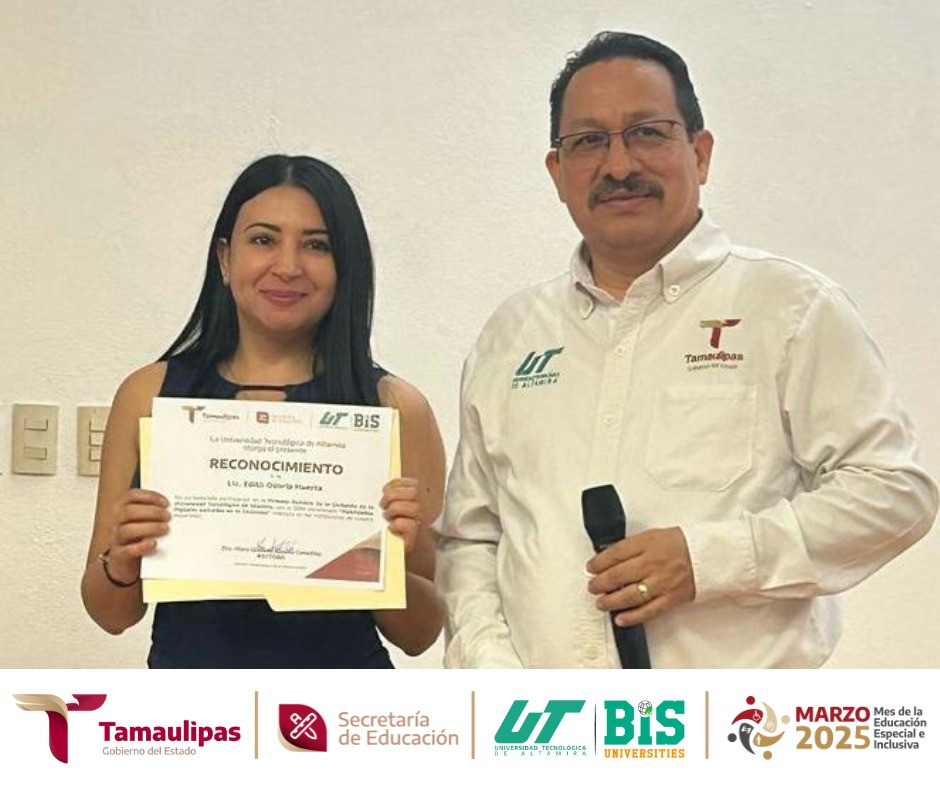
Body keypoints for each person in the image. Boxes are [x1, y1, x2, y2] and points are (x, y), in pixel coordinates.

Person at [436, 32, 938, 668]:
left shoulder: (789, 307)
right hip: (543, 719)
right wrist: (490, 673)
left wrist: (707, 560)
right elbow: (472, 538)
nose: (618, 165)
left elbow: (892, 493)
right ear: (557, 172)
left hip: (733, 719)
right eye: (588, 141)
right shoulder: (511, 335)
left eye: (646, 132)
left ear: (700, 154)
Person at [81, 154, 445, 668]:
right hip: (191, 704)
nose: (288, 266)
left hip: (341, 707)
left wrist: (392, 560)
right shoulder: (150, 395)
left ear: (345, 267)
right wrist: (121, 561)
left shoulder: (394, 407)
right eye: (263, 239)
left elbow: (421, 634)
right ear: (225, 258)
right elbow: (110, 615)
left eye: (316, 245)